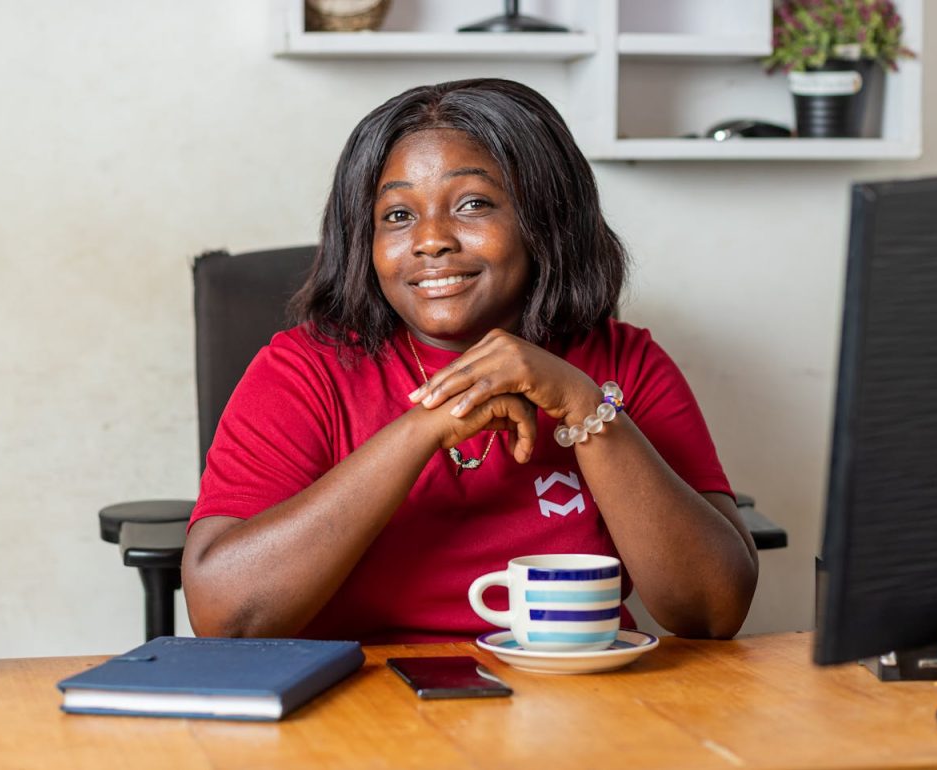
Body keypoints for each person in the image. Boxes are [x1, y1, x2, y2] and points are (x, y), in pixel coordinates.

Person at [181, 78, 758, 643]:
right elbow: (224, 616)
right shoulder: (303, 371)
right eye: (399, 216)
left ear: (545, 221)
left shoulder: (623, 363)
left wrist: (585, 405)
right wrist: (428, 425)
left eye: (473, 204)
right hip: (357, 703)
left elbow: (711, 611)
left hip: (576, 702)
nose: (431, 240)